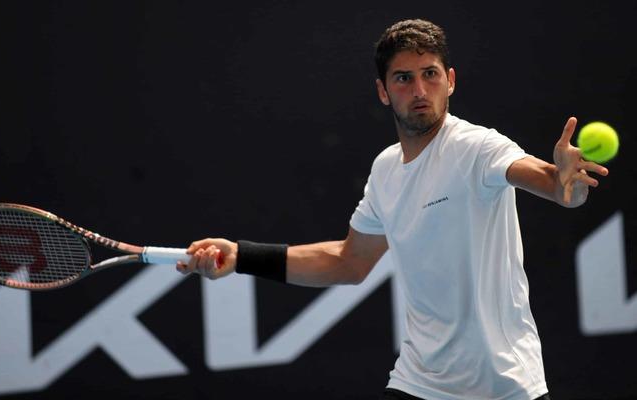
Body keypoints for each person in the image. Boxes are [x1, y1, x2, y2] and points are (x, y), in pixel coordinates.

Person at [177, 19, 609, 400]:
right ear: (383, 91)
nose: (419, 91)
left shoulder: (477, 147)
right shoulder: (385, 170)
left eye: (430, 74)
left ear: (450, 80)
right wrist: (242, 256)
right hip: (419, 383)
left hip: (504, 386)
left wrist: (565, 184)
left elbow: (552, 185)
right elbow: (348, 262)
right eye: (403, 78)